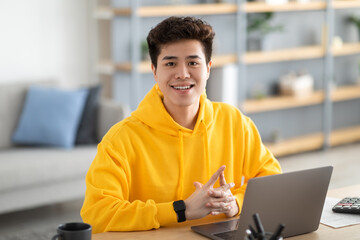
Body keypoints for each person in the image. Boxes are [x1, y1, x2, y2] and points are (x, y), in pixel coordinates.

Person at [80, 16, 282, 233]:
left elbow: (272, 180)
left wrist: (236, 203)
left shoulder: (235, 122)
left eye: (193, 62)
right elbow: (97, 214)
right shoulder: (120, 139)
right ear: (155, 71)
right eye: (170, 63)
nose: (183, 74)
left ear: (208, 68)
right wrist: (180, 210)